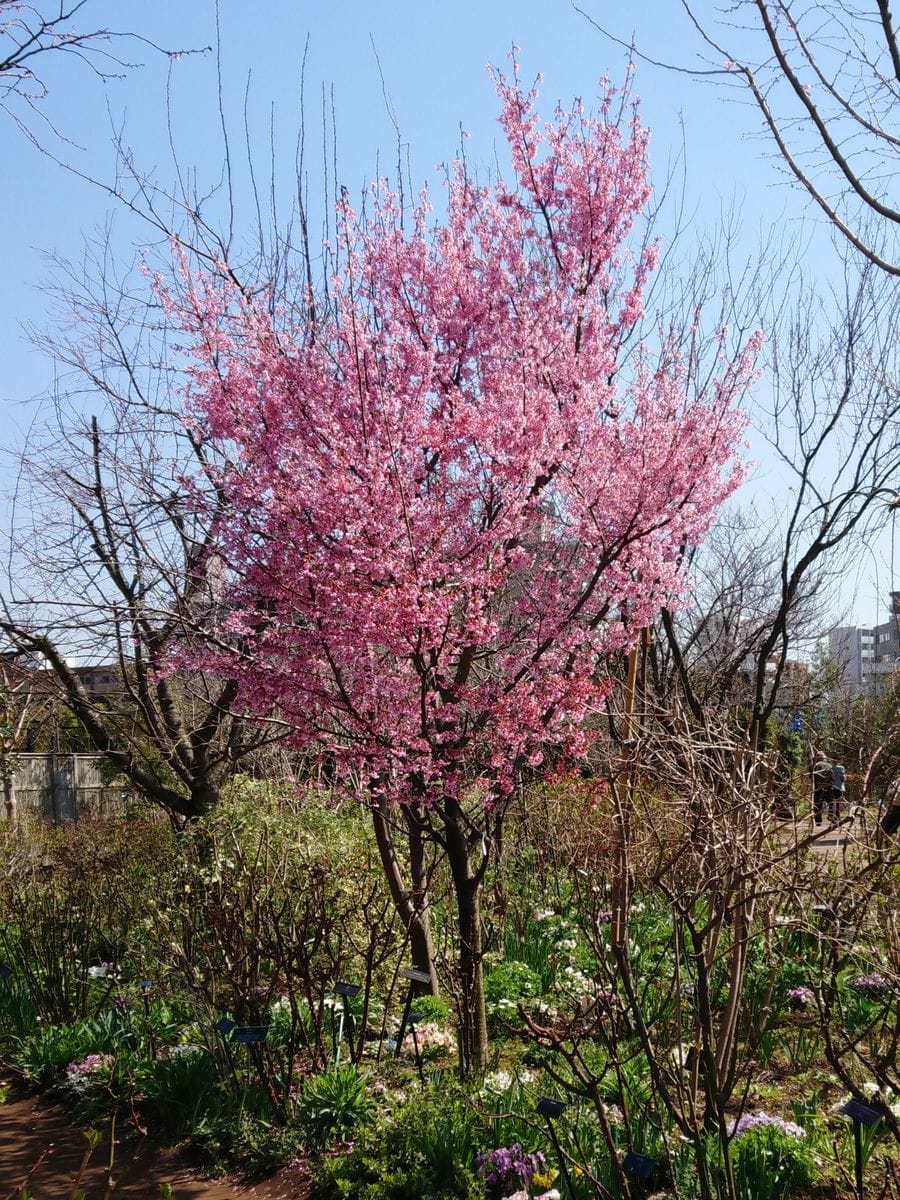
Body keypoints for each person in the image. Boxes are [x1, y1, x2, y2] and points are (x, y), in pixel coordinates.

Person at [812, 759, 832, 825]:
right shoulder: (829, 766)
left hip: (818, 788)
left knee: (818, 804)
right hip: (828, 787)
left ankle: (818, 821)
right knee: (831, 802)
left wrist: (818, 784)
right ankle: (832, 817)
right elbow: (832, 775)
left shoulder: (816, 766)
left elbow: (813, 776)